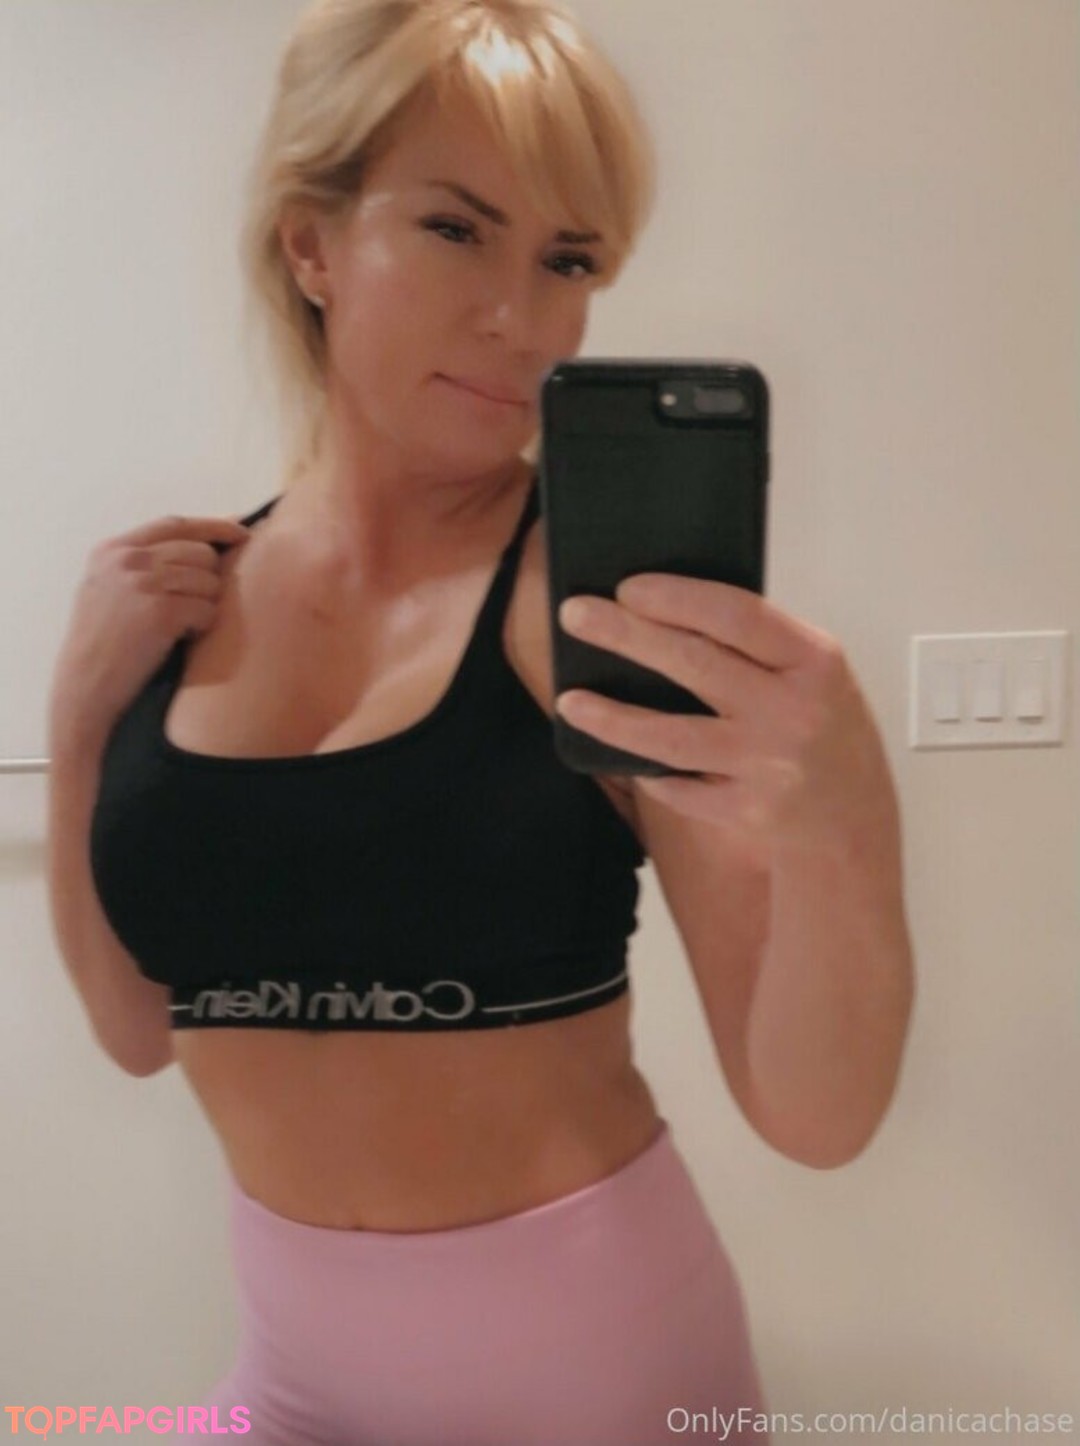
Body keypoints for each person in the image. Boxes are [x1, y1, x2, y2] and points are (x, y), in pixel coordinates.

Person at [47, 1, 915, 1442]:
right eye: (456, 229)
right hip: (297, 1387)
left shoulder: (593, 607)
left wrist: (847, 812)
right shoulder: (181, 602)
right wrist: (79, 716)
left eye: (567, 260)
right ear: (311, 243)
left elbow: (811, 1114)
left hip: (605, 1385)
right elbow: (139, 1028)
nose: (521, 320)